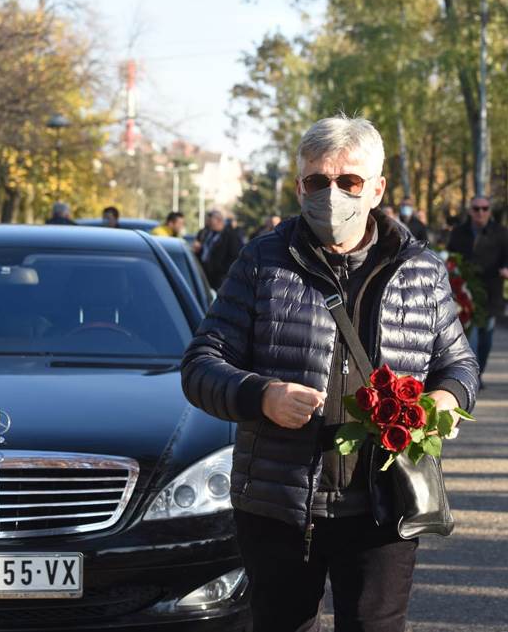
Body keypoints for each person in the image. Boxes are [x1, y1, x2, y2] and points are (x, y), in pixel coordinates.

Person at [181, 115, 479, 632]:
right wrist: (262, 394)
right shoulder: (261, 262)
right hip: (279, 501)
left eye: (349, 182)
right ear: (299, 187)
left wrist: (447, 402)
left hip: (384, 505)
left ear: (378, 188)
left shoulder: (420, 268)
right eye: (318, 181)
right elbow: (200, 365)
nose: (332, 194)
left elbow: (459, 364)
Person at [446, 196, 508, 381]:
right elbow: (449, 256)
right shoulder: (459, 232)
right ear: (470, 210)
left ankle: (479, 371)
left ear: (490, 211)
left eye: (485, 208)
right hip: (464, 293)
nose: (481, 212)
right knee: (468, 336)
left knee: (485, 336)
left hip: (490, 293)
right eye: (476, 209)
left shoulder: (500, 232)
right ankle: (468, 375)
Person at [193, 210, 242, 289]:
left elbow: (234, 256)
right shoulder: (208, 233)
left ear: (219, 221)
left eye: (211, 222)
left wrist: (222, 271)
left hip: (220, 277)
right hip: (206, 274)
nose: (209, 225)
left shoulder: (230, 235)